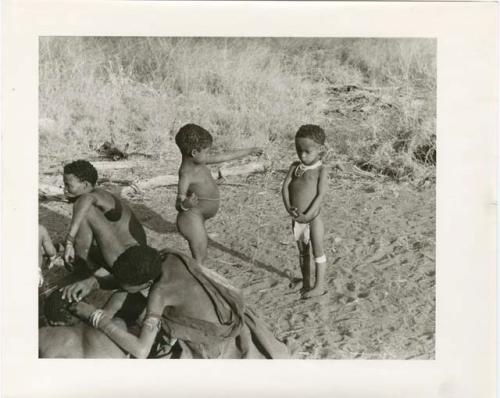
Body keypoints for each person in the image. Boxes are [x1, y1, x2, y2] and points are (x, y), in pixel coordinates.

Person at [72, 245, 290, 359]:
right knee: (122, 294)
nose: (119, 284)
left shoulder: (160, 293)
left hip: (210, 343)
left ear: (146, 282)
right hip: (220, 314)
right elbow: (127, 282)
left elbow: (141, 351)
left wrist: (95, 317)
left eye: (126, 283)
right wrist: (94, 282)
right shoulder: (167, 256)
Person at [174, 123, 263, 265]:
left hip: (200, 215)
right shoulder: (186, 174)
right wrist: (186, 204)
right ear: (194, 153)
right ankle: (196, 280)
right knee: (200, 259)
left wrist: (249, 151)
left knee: (201, 256)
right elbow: (178, 204)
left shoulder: (200, 161)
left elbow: (225, 156)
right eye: (206, 151)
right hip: (191, 218)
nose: (208, 155)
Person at [60, 159, 147, 303]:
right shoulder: (98, 197)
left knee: (85, 212)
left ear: (86, 184)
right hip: (120, 253)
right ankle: (83, 268)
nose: (64, 189)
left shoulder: (93, 197)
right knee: (84, 219)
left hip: (129, 262)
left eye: (69, 185)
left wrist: (69, 242)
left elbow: (86, 200)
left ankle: (81, 274)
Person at [281, 125, 329, 299]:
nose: (302, 155)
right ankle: (306, 281)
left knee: (317, 251)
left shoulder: (321, 170)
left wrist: (308, 215)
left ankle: (319, 285)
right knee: (302, 251)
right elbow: (285, 188)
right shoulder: (295, 167)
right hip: (297, 219)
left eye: (307, 151)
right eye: (298, 150)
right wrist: (288, 208)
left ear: (320, 149)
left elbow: (320, 195)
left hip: (313, 219)